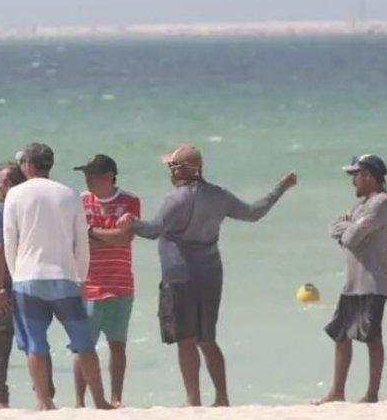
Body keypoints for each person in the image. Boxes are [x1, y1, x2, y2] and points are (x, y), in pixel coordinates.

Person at [119, 144, 296, 407]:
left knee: (186, 340)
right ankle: (222, 398)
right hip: (211, 275)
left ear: (181, 170)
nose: (169, 171)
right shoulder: (219, 195)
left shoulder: (175, 199)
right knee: (207, 339)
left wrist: (131, 223)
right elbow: (254, 213)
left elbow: (154, 230)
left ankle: (193, 399)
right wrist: (281, 187)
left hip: (179, 276)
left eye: (172, 166)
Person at [3, 143, 108, 410]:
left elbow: (9, 240)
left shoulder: (15, 194)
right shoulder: (69, 193)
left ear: (28, 165)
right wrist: (81, 277)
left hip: (28, 278)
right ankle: (99, 401)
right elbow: (81, 241)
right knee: (83, 342)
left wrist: (16, 276)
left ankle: (44, 401)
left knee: (36, 344)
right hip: (64, 278)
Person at [316, 154, 387, 404]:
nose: (353, 181)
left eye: (356, 175)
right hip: (352, 283)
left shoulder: (382, 204)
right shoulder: (360, 206)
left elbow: (351, 238)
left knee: (372, 337)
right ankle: (337, 391)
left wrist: (349, 229)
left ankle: (371, 394)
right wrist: (349, 228)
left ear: (369, 176)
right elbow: (334, 227)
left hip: (373, 281)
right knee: (341, 336)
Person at [71, 154, 141, 408]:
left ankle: (116, 398)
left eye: (91, 175)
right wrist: (105, 235)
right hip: (88, 284)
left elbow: (124, 237)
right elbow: (76, 239)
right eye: (86, 175)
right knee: (83, 346)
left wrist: (92, 233)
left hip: (120, 283)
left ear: (108, 176)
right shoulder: (79, 201)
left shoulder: (129, 201)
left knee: (117, 344)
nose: (87, 179)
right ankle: (79, 402)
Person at [0, 162, 26, 409]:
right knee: (34, 339)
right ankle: (45, 395)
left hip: (8, 280)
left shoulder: (2, 210)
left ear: (9, 185)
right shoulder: (29, 208)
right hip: (31, 278)